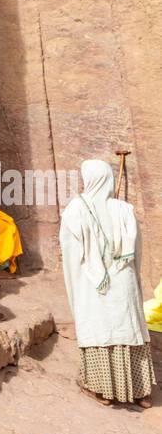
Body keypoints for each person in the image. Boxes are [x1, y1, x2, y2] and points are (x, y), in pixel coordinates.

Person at [60, 159, 153, 408]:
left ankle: (105, 392)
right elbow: (137, 250)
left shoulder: (75, 210)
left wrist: (78, 283)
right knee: (129, 328)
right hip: (124, 279)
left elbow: (71, 254)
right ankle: (140, 392)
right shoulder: (124, 209)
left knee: (100, 331)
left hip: (94, 283)